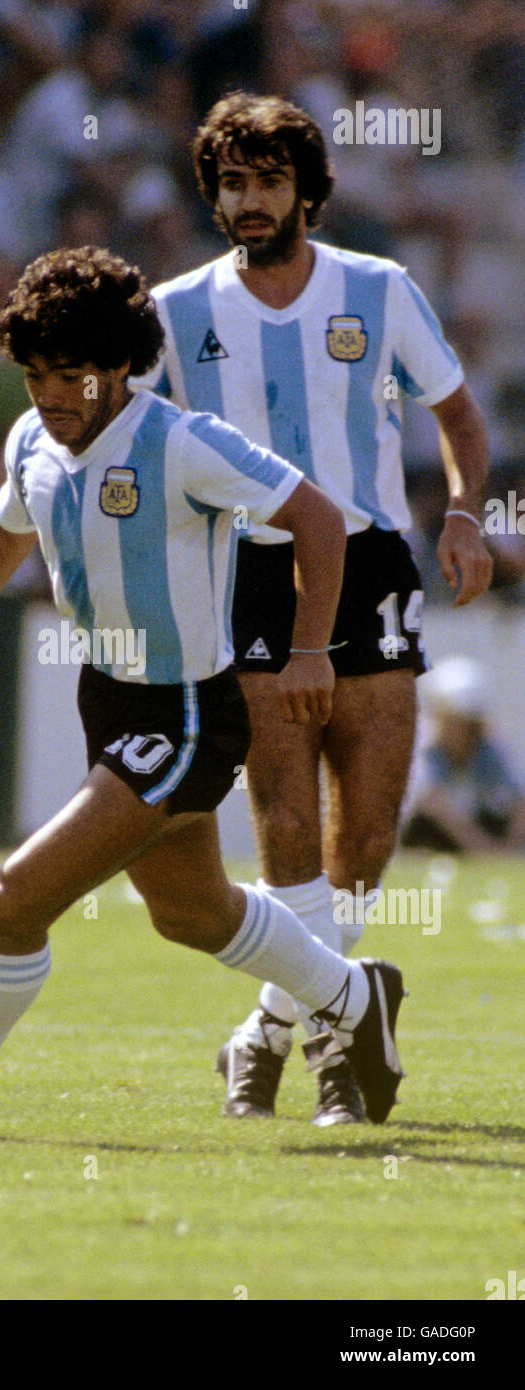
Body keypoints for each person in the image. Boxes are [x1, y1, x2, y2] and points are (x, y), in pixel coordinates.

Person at [0, 246, 407, 1132]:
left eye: (72, 376)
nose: (51, 396)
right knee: (192, 914)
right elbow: (4, 536)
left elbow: (317, 517)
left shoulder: (180, 443)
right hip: (109, 700)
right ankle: (357, 999)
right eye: (35, 375)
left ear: (121, 366)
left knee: (18, 893)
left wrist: (311, 650)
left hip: (189, 714)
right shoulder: (30, 442)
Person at [138, 91, 493, 1125]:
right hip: (245, 567)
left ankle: (266, 1028)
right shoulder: (174, 310)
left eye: (267, 180)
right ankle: (343, 1042)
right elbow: (138, 447)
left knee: (367, 828)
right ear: (214, 196)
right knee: (285, 821)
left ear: (306, 188)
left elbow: (456, 412)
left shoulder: (377, 289)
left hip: (373, 560)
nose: (249, 201)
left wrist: (464, 514)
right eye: (231, 183)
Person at [401, 657, 525, 854]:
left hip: (472, 830)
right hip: (426, 835)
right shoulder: (424, 745)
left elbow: (519, 801)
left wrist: (511, 847)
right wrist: (486, 851)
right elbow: (437, 807)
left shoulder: (487, 745)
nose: (462, 730)